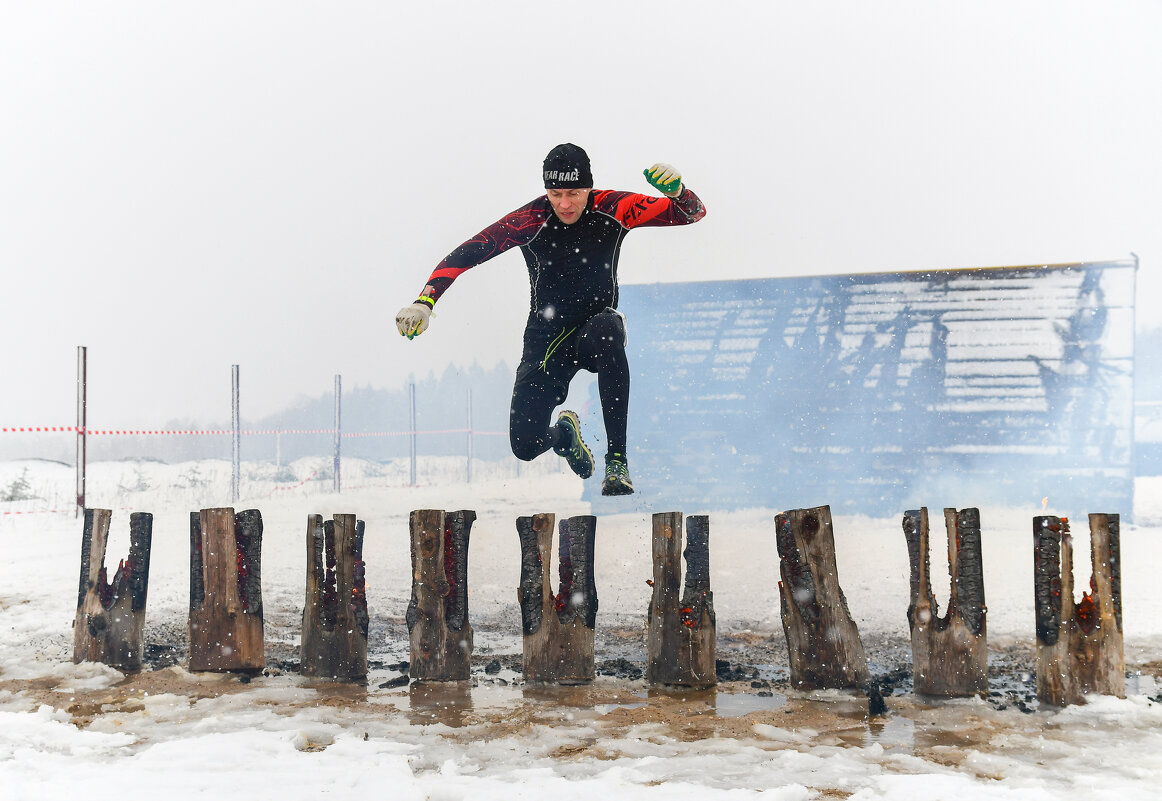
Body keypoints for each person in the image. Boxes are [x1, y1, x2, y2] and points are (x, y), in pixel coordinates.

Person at [395, 143, 706, 495]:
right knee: (525, 446)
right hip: (546, 341)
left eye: (574, 193)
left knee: (608, 330)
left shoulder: (615, 207)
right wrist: (425, 300)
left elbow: (690, 213)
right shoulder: (530, 219)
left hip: (593, 329)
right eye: (556, 194)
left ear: (589, 187)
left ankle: (616, 461)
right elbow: (471, 250)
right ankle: (565, 437)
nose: (566, 204)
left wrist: (679, 193)